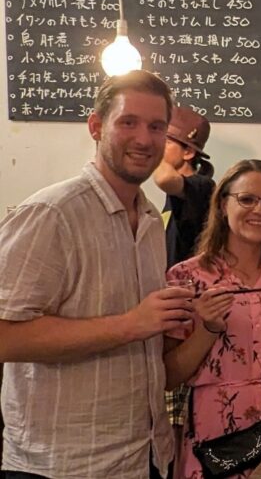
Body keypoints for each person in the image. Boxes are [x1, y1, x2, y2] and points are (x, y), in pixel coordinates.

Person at [0, 70, 191, 478]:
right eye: (128, 122)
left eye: (157, 127)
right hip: (65, 465)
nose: (144, 139)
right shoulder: (51, 213)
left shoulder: (152, 220)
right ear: (96, 126)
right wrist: (131, 324)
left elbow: (145, 339)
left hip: (146, 455)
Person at [164, 159, 261, 479]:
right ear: (223, 204)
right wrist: (207, 328)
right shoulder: (186, 277)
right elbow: (168, 375)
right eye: (247, 199)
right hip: (216, 432)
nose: (259, 210)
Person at [153, 105, 216, 455]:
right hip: (174, 324)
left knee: (182, 434)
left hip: (192, 326)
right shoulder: (171, 201)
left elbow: (162, 176)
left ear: (189, 151)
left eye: (162, 136)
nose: (151, 143)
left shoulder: (201, 187)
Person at [154, 105, 215, 269]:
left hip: (192, 291)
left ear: (188, 152)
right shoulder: (175, 194)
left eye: (165, 142)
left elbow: (165, 178)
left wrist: (150, 151)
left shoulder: (203, 187)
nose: (157, 145)